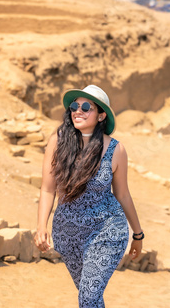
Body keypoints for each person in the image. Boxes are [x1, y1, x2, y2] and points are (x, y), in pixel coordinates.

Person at [34, 84, 144, 308]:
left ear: (101, 115)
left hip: (107, 230)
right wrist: (41, 226)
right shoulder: (57, 141)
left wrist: (138, 234)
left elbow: (122, 194)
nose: (78, 111)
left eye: (86, 107)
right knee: (89, 298)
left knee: (89, 297)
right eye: (75, 106)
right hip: (68, 234)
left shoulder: (116, 149)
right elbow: (47, 189)